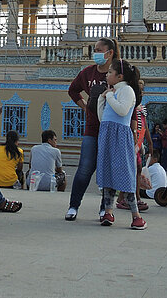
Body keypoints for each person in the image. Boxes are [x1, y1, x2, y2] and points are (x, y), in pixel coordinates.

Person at [65, 37, 119, 221]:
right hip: (92, 128)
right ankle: (73, 206)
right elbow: (73, 90)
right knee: (85, 168)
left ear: (109, 53)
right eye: (94, 49)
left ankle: (105, 209)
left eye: (98, 49)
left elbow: (132, 96)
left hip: (113, 128)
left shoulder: (119, 72)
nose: (95, 53)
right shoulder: (87, 73)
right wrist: (85, 106)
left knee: (107, 169)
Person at [96, 59, 146, 230]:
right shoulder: (113, 91)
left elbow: (122, 110)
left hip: (120, 135)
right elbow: (102, 117)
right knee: (107, 172)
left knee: (125, 174)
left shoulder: (127, 90)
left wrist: (109, 96)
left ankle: (136, 216)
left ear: (120, 76)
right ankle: (108, 212)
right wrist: (101, 99)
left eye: (110, 72)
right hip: (107, 133)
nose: (107, 74)